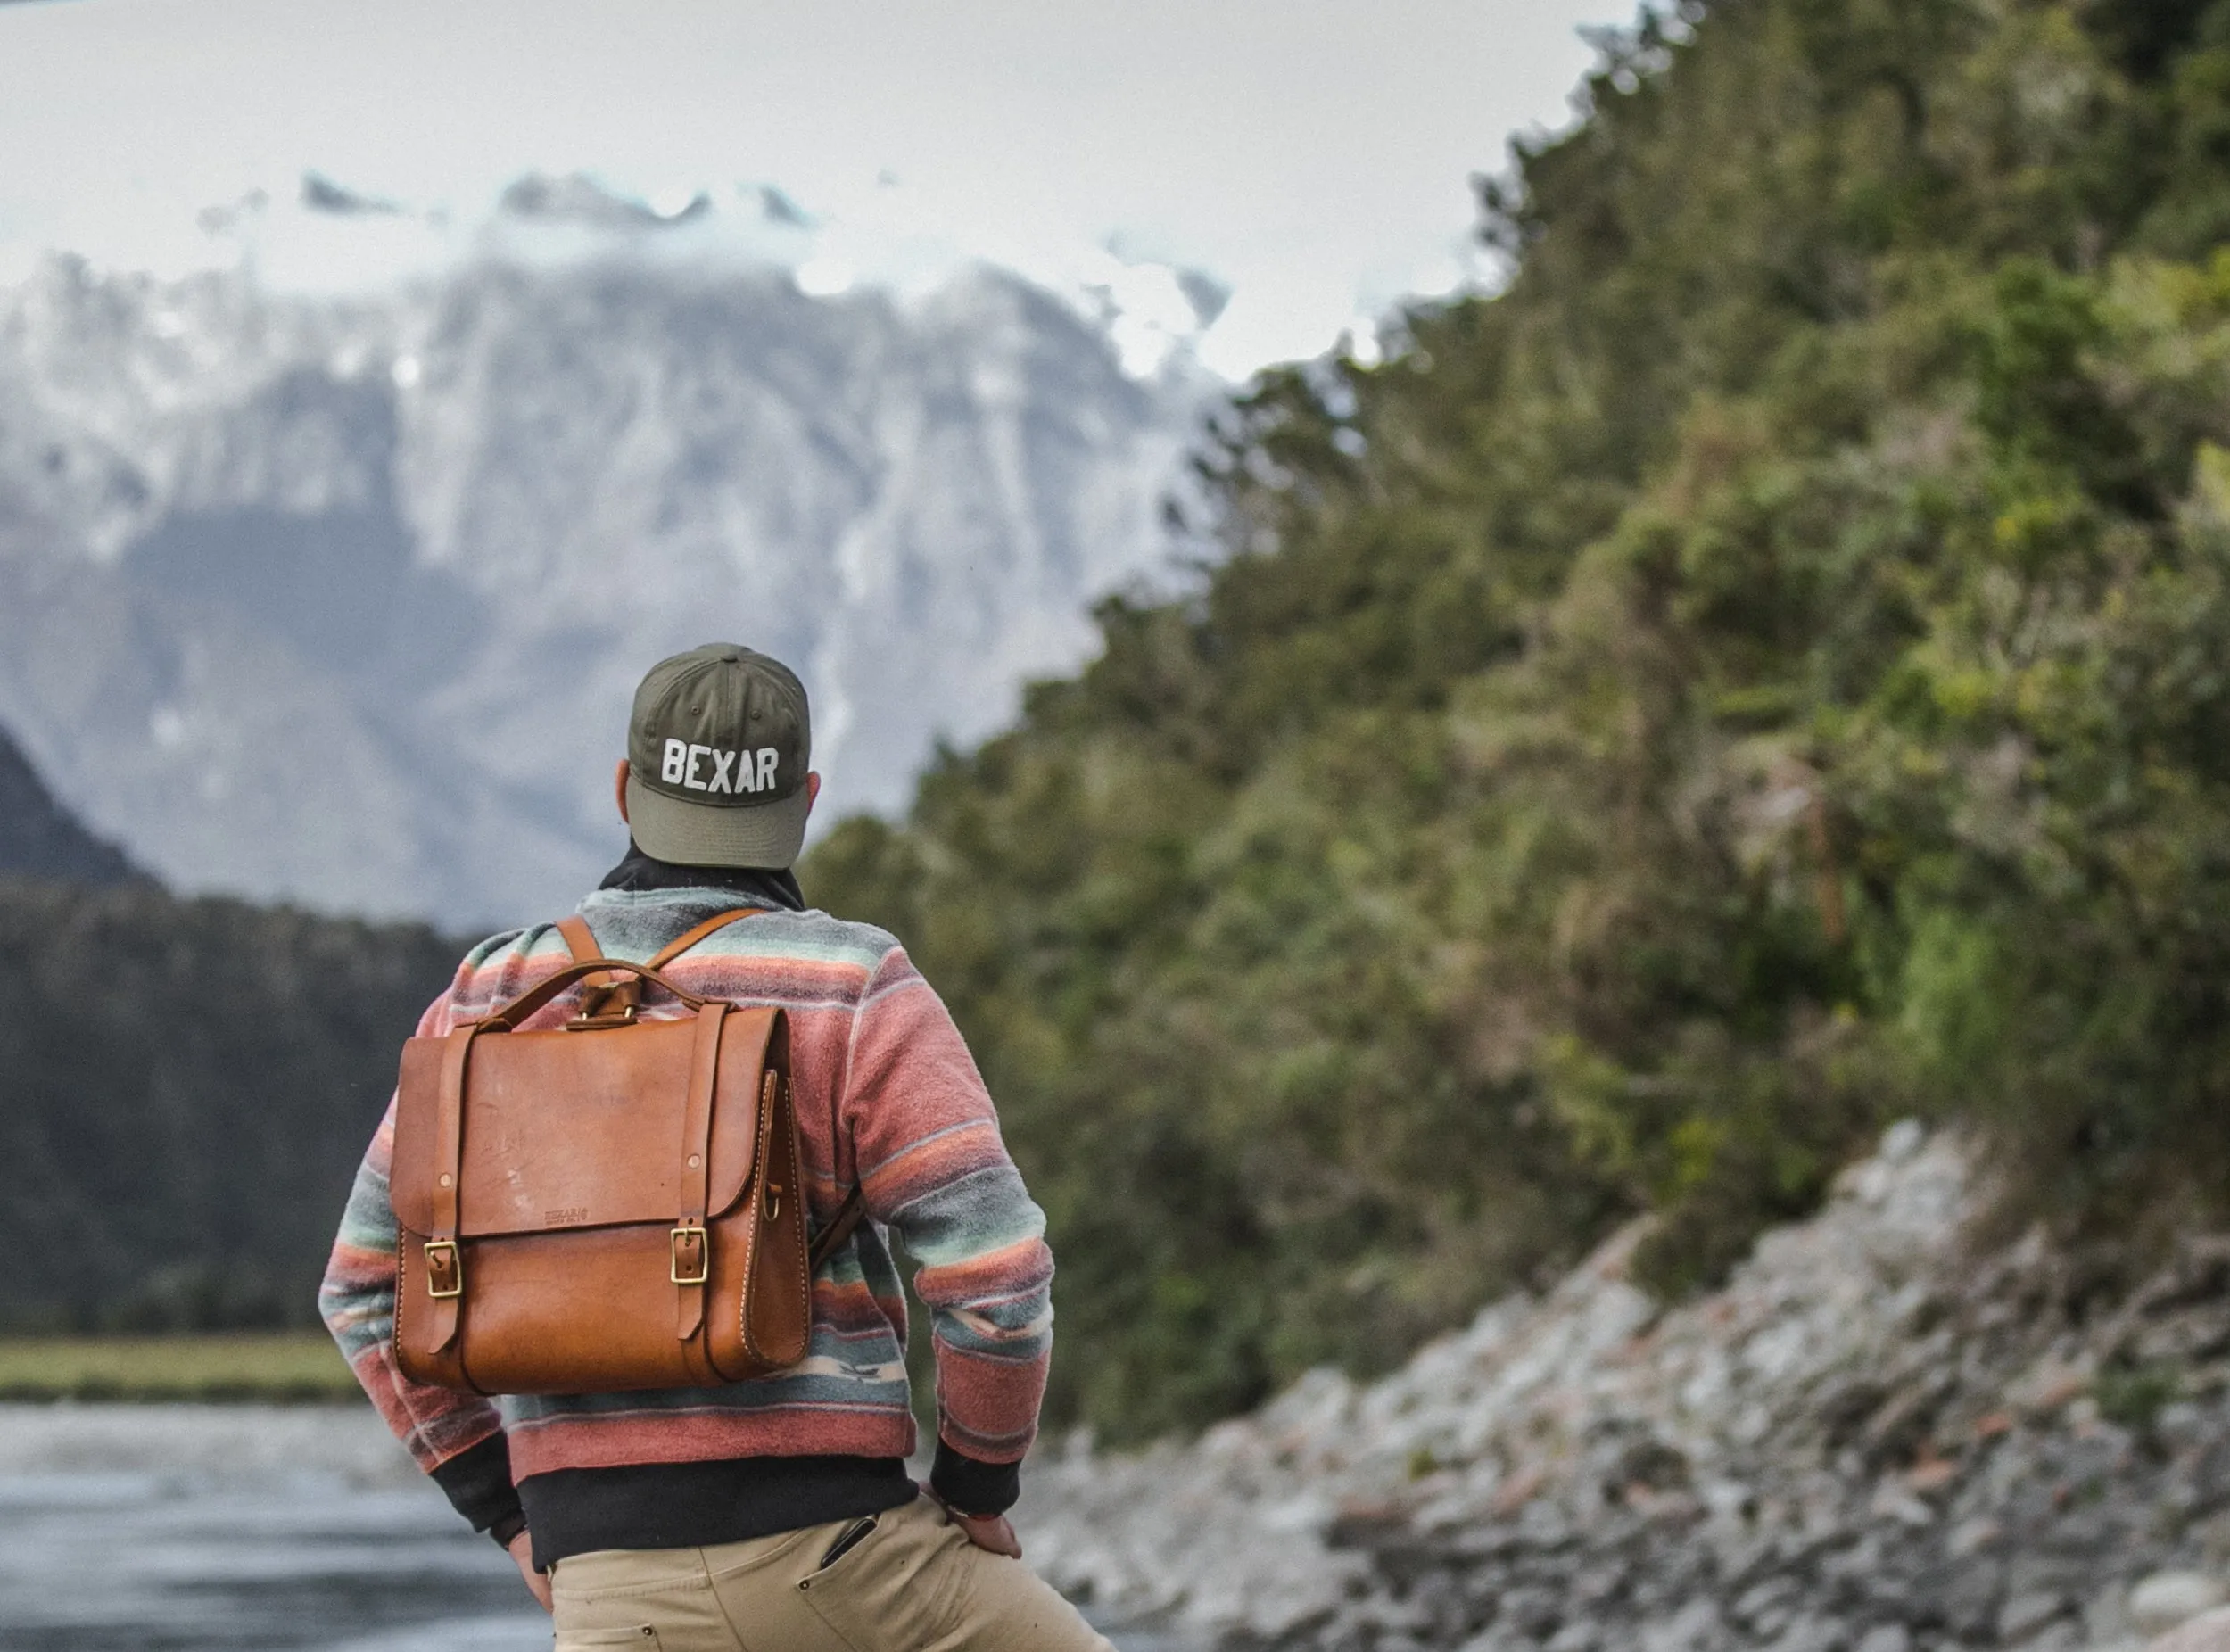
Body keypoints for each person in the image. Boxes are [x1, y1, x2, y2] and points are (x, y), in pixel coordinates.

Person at [320, 643, 1112, 1652]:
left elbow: (359, 1289)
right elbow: (997, 1279)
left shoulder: (487, 995)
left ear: (623, 790)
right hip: (851, 1563)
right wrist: (976, 1485)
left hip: (610, 1594)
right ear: (806, 797)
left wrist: (513, 1520)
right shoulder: (851, 982)